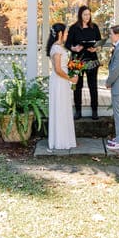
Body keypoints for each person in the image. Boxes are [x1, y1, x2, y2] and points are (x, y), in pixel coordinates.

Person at [67, 5, 102, 120]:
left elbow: (99, 42)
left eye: (88, 14)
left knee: (93, 86)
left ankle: (94, 110)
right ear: (80, 15)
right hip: (77, 60)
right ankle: (78, 111)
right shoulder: (73, 28)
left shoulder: (94, 27)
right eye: (85, 14)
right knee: (77, 86)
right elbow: (67, 44)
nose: (87, 17)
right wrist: (74, 48)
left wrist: (95, 48)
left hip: (91, 59)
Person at [46, 23, 76, 152]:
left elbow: (63, 67)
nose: (67, 34)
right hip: (59, 81)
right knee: (60, 109)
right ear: (60, 34)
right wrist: (70, 78)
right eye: (66, 32)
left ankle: (64, 138)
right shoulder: (57, 49)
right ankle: (60, 140)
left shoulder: (58, 47)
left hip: (62, 81)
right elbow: (58, 69)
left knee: (63, 108)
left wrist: (73, 69)